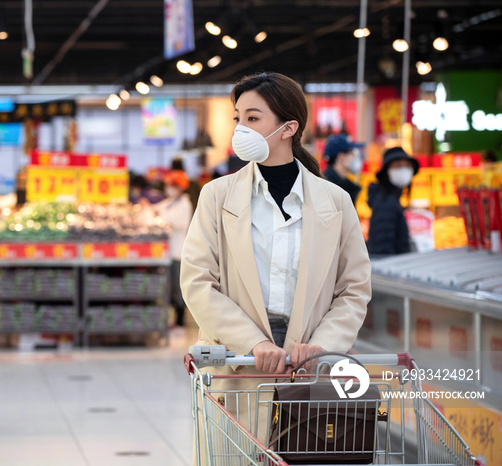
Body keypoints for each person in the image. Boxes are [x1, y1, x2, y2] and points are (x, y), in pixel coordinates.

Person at [180, 72, 371, 449]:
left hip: (311, 366)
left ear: (288, 128)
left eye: (253, 118)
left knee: (307, 451)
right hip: (240, 361)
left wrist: (322, 345)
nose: (240, 129)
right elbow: (198, 281)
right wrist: (253, 343)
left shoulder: (335, 201)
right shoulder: (217, 196)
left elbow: (354, 288)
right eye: (237, 118)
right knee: (241, 453)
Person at [149, 170, 193, 327]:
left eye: (171, 185)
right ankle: (171, 319)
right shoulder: (170, 202)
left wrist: (157, 214)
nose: (168, 188)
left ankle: (180, 320)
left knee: (178, 288)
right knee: (168, 287)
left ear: (179, 187)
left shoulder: (184, 204)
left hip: (178, 253)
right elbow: (156, 208)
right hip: (167, 253)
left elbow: (171, 220)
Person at [366, 146, 419, 255]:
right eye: (398, 166)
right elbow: (381, 249)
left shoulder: (391, 199)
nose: (403, 170)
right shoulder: (385, 202)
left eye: (407, 166)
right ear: (387, 172)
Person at [322, 134, 362, 204]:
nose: (356, 157)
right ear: (341, 156)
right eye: (352, 153)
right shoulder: (326, 186)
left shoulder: (347, 186)